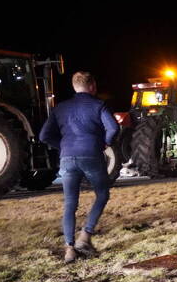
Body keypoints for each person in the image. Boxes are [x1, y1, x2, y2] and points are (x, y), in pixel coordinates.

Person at [39, 71, 118, 263]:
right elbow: (113, 128)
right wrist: (104, 143)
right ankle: (85, 236)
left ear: (75, 86)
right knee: (102, 194)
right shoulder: (98, 105)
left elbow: (44, 136)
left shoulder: (60, 108)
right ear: (92, 86)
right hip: (91, 155)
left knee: (70, 203)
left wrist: (63, 146)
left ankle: (69, 249)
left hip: (67, 157)